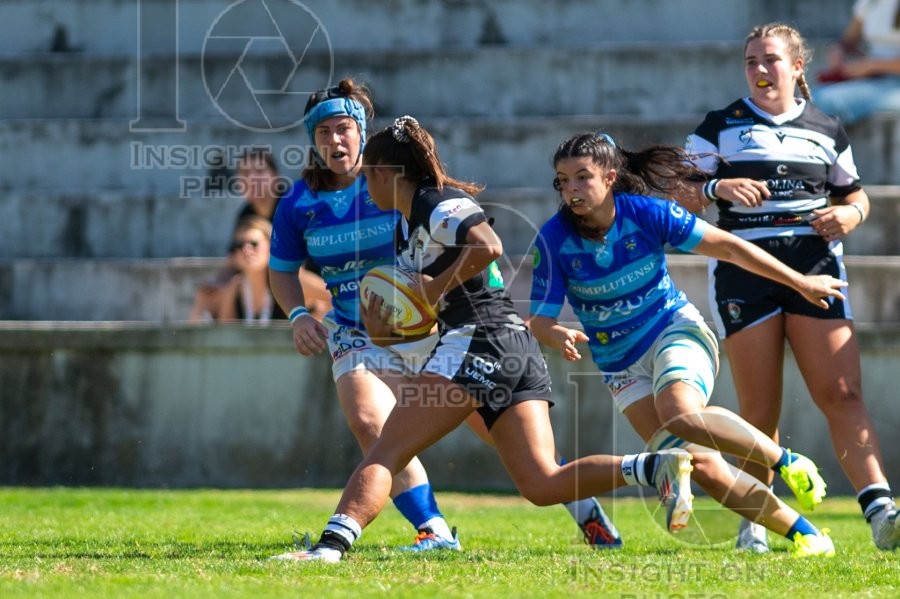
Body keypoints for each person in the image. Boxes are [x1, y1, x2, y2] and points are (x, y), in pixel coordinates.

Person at [269, 116, 696, 563]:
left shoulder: (437, 203)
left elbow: (487, 245)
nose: (364, 190)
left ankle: (330, 548)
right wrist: (384, 330)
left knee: (387, 449)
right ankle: (653, 467)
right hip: (510, 347)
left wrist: (430, 290)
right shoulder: (404, 224)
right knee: (542, 482)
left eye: (367, 178)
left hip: (478, 341)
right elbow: (424, 310)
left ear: (381, 174)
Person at [529, 131, 842, 558]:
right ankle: (807, 536)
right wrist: (555, 333)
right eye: (563, 181)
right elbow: (539, 320)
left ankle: (786, 460)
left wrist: (801, 282)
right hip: (619, 365)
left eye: (582, 177)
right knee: (706, 467)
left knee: (679, 414)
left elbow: (729, 248)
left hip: (673, 331)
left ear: (610, 178)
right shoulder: (552, 240)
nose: (571, 190)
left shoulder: (648, 213)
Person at [682, 22, 899, 552]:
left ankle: (881, 513)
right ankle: (756, 520)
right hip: (745, 275)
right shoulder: (719, 126)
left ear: (798, 67)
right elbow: (678, 193)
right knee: (760, 410)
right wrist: (715, 185)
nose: (759, 69)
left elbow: (858, 197)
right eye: (751, 60)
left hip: (816, 269)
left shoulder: (827, 127)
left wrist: (850, 217)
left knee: (843, 393)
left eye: (771, 59)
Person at [188, 216, 328, 322]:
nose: (246, 249)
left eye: (254, 244)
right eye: (239, 245)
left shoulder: (291, 279)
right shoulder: (235, 289)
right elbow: (226, 337)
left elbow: (337, 297)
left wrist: (315, 323)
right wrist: (200, 304)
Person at [815, 0, 900, 124]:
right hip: (875, 80)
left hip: (892, 83)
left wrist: (872, 65)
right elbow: (849, 38)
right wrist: (839, 50)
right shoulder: (870, 2)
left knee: (824, 101)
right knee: (813, 97)